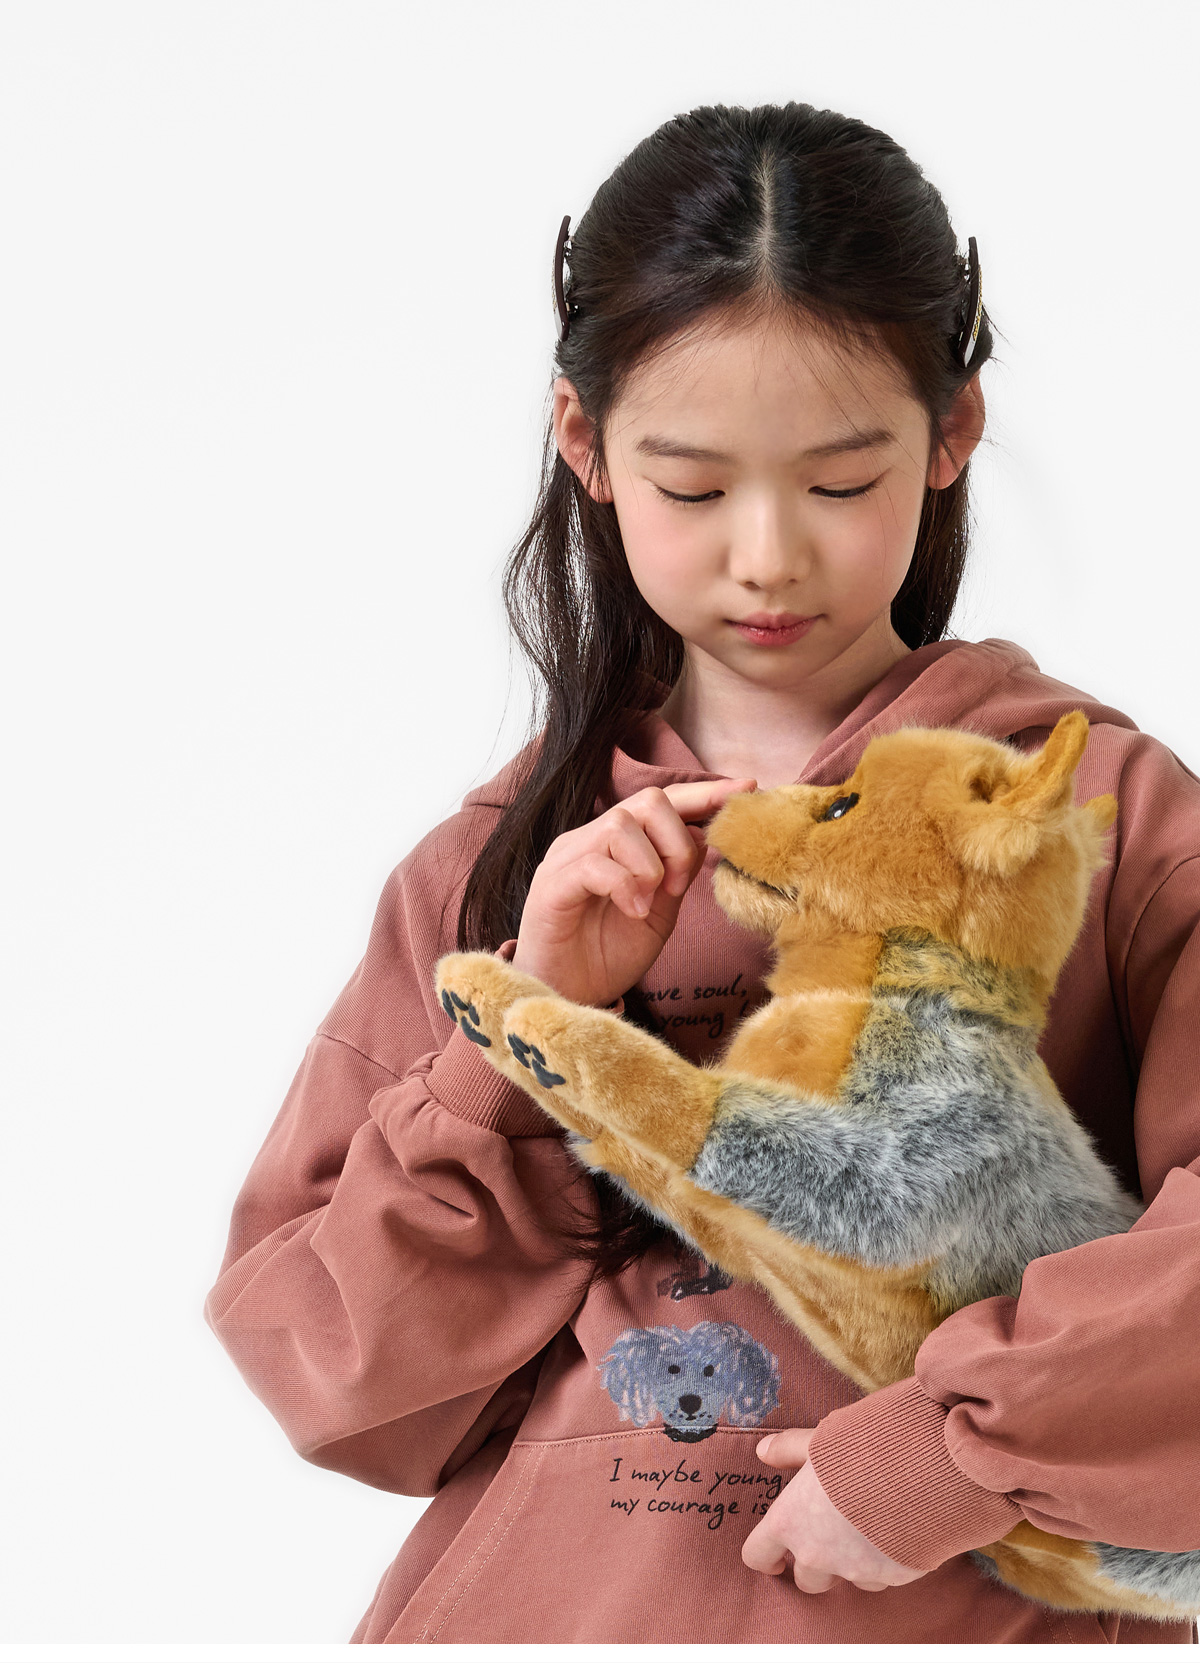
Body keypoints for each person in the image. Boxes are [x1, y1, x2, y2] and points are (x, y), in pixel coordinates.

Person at [204, 102, 1200, 1645]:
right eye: (692, 487)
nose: (767, 556)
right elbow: (332, 1374)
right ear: (585, 443)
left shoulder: (1091, 818)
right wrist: (525, 1041)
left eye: (841, 481)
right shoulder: (495, 867)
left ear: (952, 433)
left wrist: (947, 1454)